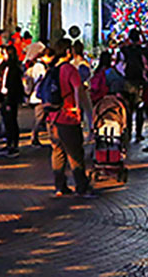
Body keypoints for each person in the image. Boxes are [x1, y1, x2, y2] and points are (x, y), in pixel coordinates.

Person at [47, 41, 94, 197]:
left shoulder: (52, 69)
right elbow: (77, 87)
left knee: (57, 152)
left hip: (53, 117)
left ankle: (60, 186)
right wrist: (78, 108)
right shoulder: (69, 69)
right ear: (68, 51)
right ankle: (82, 186)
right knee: (75, 153)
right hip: (67, 116)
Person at [0, 43, 25, 157]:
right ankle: (9, 144)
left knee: (11, 121)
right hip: (5, 96)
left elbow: (13, 85)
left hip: (10, 98)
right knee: (8, 121)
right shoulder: (6, 66)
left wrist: (9, 99)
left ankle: (13, 146)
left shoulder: (12, 68)